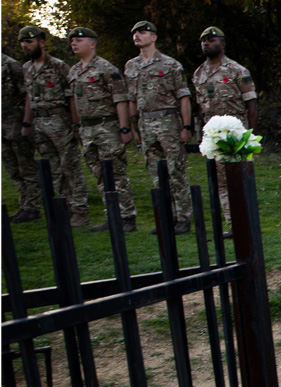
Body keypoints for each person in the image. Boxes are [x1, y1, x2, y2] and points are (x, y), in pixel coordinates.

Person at [66, 26, 138, 233]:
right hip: (87, 129)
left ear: (92, 44)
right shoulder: (74, 71)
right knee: (98, 174)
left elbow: (120, 100)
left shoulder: (106, 69)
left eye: (78, 40)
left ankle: (127, 217)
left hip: (107, 127)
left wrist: (124, 129)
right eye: (72, 41)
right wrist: (75, 126)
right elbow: (73, 102)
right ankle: (112, 215)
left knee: (116, 173)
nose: (74, 43)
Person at [19, 25, 90, 229]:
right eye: (23, 42)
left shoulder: (59, 66)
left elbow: (72, 98)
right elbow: (28, 98)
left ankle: (80, 211)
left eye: (29, 42)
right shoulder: (26, 68)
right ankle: (64, 208)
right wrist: (27, 122)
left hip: (60, 122)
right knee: (53, 170)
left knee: (71, 167)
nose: (25, 46)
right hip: (39, 124)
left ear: (41, 42)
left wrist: (75, 124)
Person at [125, 20, 192, 234]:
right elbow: (131, 99)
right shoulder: (131, 66)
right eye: (135, 32)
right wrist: (133, 127)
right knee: (156, 174)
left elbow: (183, 97)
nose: (137, 35)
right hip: (145, 124)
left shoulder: (170, 64)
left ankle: (183, 217)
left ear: (153, 37)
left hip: (168, 122)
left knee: (175, 170)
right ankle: (167, 216)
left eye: (143, 32)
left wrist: (186, 126)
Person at [192, 26, 257, 237]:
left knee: (241, 178)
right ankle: (233, 223)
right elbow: (201, 107)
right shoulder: (199, 73)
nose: (206, 43)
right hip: (214, 136)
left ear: (222, 44)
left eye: (211, 40)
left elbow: (251, 104)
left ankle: (247, 221)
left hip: (236, 135)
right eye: (204, 41)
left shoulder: (238, 71)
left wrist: (250, 135)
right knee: (220, 182)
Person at [2, 51, 40, 222]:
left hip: (15, 122)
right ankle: (24, 203)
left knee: (25, 165)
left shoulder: (10, 65)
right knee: (11, 166)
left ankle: (33, 206)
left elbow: (27, 95)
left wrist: (26, 122)